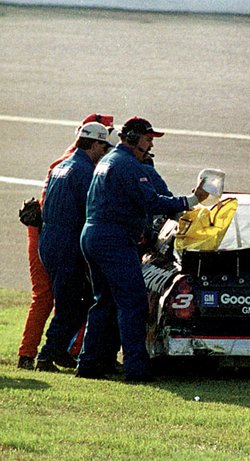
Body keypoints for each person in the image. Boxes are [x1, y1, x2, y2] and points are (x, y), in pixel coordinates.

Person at [76, 117, 209, 382]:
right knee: (133, 301)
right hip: (113, 239)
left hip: (93, 235)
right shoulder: (128, 165)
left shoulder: (108, 161)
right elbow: (152, 201)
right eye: (148, 139)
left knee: (103, 302)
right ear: (134, 138)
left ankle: (88, 363)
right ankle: (136, 369)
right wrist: (192, 200)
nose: (149, 146)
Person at [16, 113, 114, 370]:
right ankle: (47, 354)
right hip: (66, 243)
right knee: (71, 304)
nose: (106, 151)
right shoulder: (85, 171)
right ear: (93, 144)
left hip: (49, 241)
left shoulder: (61, 166)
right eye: (104, 145)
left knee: (72, 300)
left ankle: (54, 350)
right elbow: (93, 209)